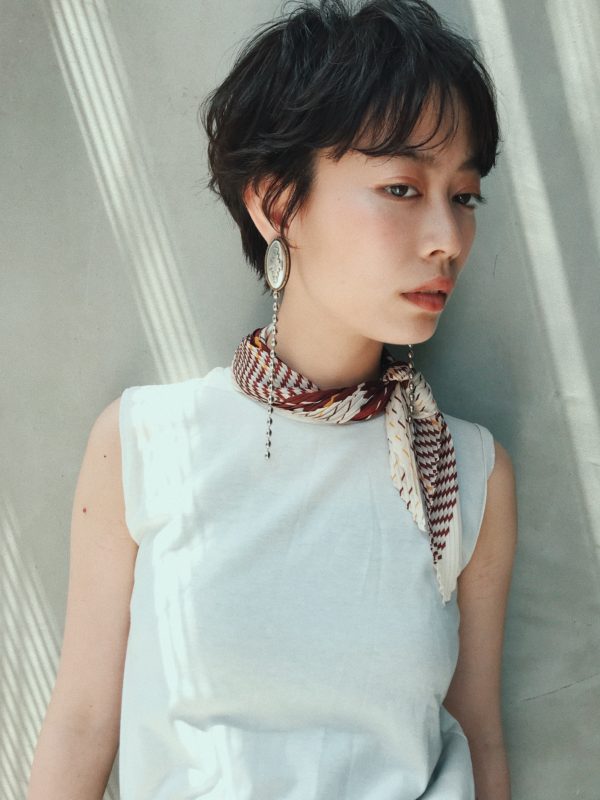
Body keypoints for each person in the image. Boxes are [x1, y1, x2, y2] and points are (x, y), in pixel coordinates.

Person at [27, 0, 518, 798]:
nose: (447, 239)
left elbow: (479, 733)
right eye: (402, 187)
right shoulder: (147, 442)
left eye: (464, 196)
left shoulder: (467, 470)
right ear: (278, 204)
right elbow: (82, 722)